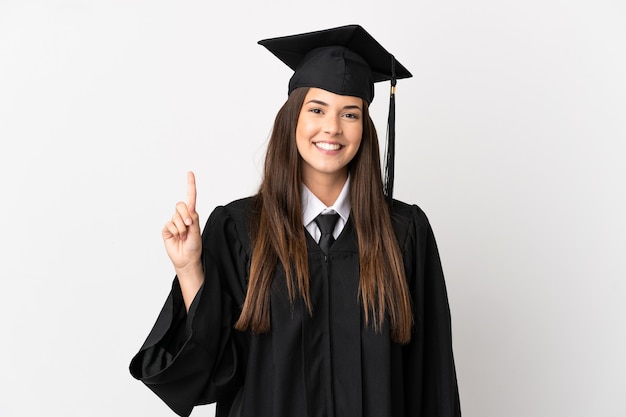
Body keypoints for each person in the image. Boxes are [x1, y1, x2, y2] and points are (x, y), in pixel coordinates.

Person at [130, 24, 461, 417]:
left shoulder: (404, 233)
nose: (332, 127)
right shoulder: (240, 229)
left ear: (365, 128)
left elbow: (431, 379)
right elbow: (214, 374)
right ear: (293, 118)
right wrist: (189, 270)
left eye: (350, 113)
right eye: (317, 109)